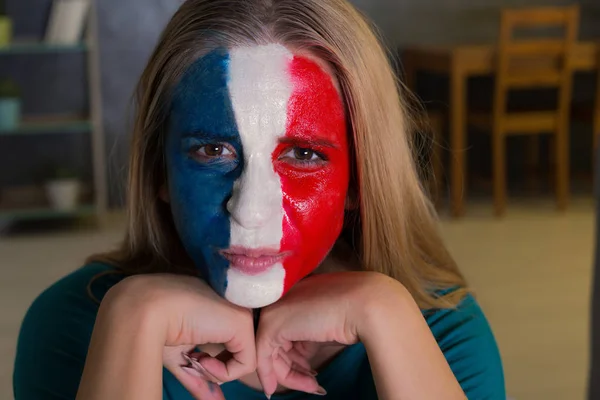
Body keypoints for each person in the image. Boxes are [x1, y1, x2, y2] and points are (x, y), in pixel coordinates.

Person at [13, 0, 505, 399]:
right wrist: (133, 319)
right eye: (213, 150)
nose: (250, 210)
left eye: (305, 154)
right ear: (159, 169)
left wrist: (384, 314)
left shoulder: (437, 332)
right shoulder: (75, 325)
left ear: (360, 180)